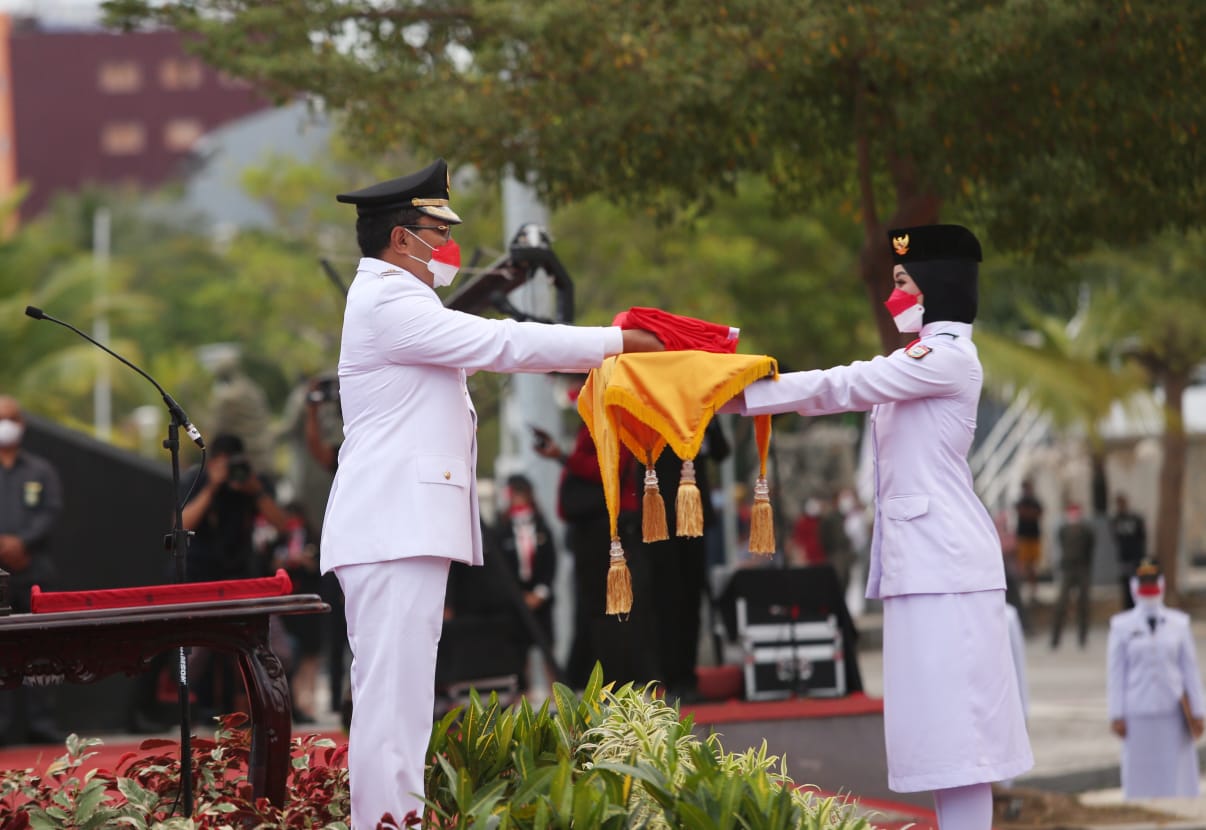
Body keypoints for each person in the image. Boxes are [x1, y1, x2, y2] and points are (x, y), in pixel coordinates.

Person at [320, 158, 663, 829]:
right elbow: (501, 340)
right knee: (392, 708)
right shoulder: (389, 301)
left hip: (399, 528)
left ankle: (394, 821)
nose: (447, 245)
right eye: (435, 231)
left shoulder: (398, 298)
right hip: (391, 529)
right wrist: (617, 343)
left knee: (404, 706)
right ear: (400, 241)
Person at [722, 224, 1032, 829]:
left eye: (902, 281)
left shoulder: (945, 358)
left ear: (937, 284)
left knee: (962, 744)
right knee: (941, 744)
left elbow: (845, 384)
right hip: (924, 571)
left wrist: (736, 391)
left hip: (948, 573)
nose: (893, 295)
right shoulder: (919, 357)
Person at [181, 433, 291, 718]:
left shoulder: (252, 482)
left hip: (245, 578)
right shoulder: (198, 481)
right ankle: (187, 711)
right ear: (212, 463)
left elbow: (283, 525)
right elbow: (181, 525)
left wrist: (255, 491)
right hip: (201, 580)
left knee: (279, 649)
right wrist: (212, 487)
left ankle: (267, 706)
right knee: (193, 656)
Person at [1107, 560, 1204, 799]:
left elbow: (1190, 670)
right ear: (1134, 587)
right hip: (1138, 711)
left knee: (1176, 774)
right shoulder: (1121, 625)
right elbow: (1116, 673)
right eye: (1144, 584)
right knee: (1140, 774)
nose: (1149, 590)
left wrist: (1199, 711)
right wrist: (1116, 714)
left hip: (1173, 711)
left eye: (1153, 584)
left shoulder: (1179, 624)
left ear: (1161, 585)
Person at [0, 395, 64, 745]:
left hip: (35, 569)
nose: (4, 425)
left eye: (10, 418)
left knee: (42, 648)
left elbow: (50, 513)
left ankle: (42, 721)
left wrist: (21, 543)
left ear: (21, 424)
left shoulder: (40, 470)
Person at [495, 473, 558, 696]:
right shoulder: (501, 530)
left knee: (546, 646)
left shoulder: (541, 527)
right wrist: (517, 596)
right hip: (515, 602)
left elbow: (551, 563)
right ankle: (523, 696)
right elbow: (500, 568)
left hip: (540, 599)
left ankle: (557, 696)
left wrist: (540, 593)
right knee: (519, 653)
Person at [1049, 502, 1096, 650]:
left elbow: (1090, 548)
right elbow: (1061, 545)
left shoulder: (1086, 530)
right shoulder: (1063, 530)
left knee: (1084, 603)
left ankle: (1082, 637)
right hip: (1068, 569)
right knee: (1061, 603)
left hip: (1082, 568)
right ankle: (1055, 638)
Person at [1110, 493, 1147, 611]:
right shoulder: (1115, 520)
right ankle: (1128, 610)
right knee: (1126, 588)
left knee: (1138, 586)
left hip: (1137, 558)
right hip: (1124, 559)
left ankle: (1138, 609)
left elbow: (1142, 537)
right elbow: (1115, 538)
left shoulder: (1136, 519)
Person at [1014, 480, 1044, 606]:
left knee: (1032, 566)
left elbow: (1038, 513)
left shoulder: (1035, 501)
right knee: (1023, 566)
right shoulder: (1021, 501)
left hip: (1033, 537)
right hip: (1024, 537)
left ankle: (1033, 592)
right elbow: (1024, 513)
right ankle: (1023, 590)